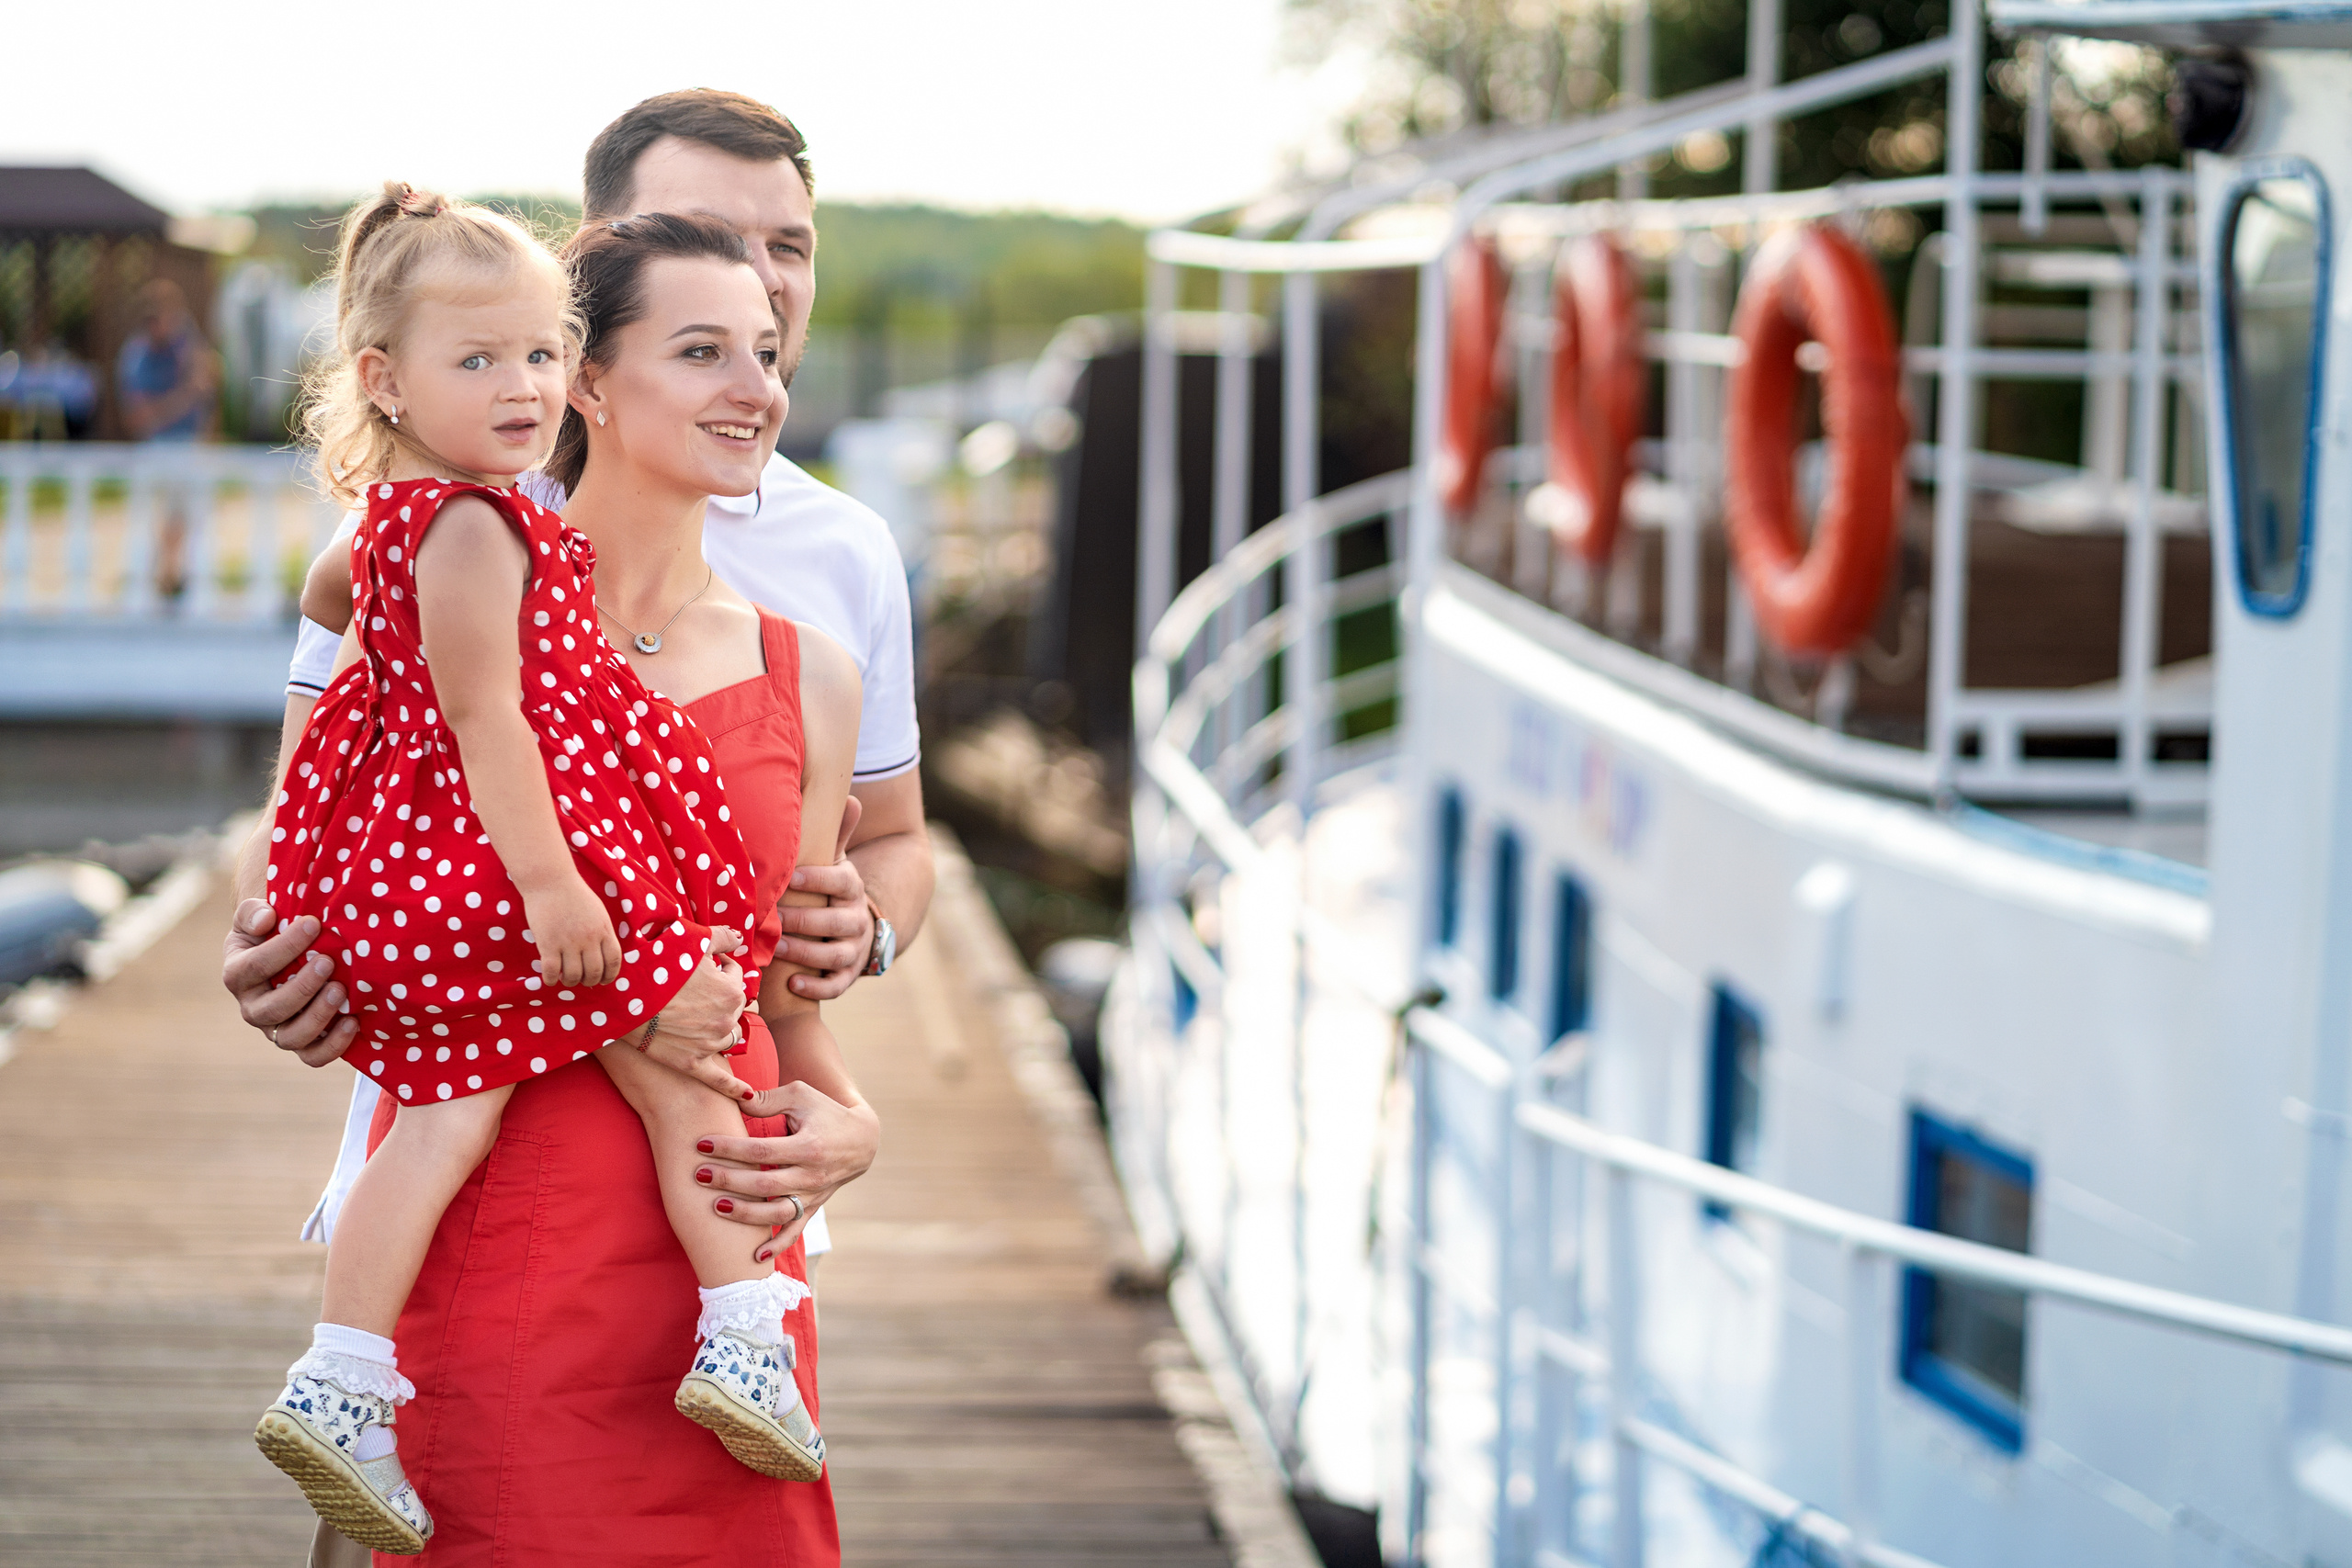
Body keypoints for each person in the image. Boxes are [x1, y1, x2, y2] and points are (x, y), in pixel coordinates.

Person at [248, 187, 849, 1553]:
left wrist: (848, 1108)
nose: (754, 383)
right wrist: (586, 928)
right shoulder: (487, 536)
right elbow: (446, 737)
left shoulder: (811, 638)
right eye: (701, 349)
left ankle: (357, 1377)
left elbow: (814, 974)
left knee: (543, 1093)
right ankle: (724, 1325)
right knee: (648, 1052)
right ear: (599, 377)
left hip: (683, 1196)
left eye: (766, 345)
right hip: (513, 1202)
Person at [248, 87, 925, 1272]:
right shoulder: (441, 526)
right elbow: (317, 824)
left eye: (788, 250)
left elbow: (892, 846)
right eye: (702, 232)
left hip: (731, 1207)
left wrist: (865, 937)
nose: (756, 277)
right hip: (478, 1182)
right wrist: (277, 950)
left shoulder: (845, 554)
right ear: (586, 285)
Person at [116, 277, 220, 597]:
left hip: (188, 446)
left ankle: (173, 580)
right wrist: (186, 395)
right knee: (160, 520)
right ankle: (160, 580)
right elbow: (139, 418)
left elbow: (208, 389)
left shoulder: (186, 345)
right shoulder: (138, 357)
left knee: (187, 520)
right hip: (159, 448)